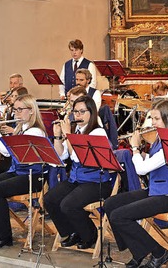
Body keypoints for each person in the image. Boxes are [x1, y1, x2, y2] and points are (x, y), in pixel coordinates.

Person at [104, 100, 168, 268]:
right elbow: (153, 162)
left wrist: (134, 149)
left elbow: (142, 170)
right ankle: (138, 250)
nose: (152, 123)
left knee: (119, 216)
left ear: (167, 119)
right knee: (110, 203)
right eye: (151, 118)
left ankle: (159, 253)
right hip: (155, 190)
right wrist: (141, 153)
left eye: (156, 119)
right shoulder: (160, 139)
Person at [0, 94, 47, 250]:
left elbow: (15, 154)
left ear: (32, 111)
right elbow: (7, 153)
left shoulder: (35, 132)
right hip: (18, 172)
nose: (17, 113)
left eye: (20, 109)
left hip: (33, 176)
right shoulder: (21, 128)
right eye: (15, 110)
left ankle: (2, 236)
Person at [44, 96, 112, 250]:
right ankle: (72, 231)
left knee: (68, 205)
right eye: (75, 112)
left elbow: (78, 157)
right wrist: (57, 136)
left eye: (82, 112)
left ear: (92, 112)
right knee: (50, 199)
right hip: (77, 180)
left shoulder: (97, 132)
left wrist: (68, 135)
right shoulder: (77, 130)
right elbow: (61, 157)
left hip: (96, 182)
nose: (78, 116)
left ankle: (90, 234)